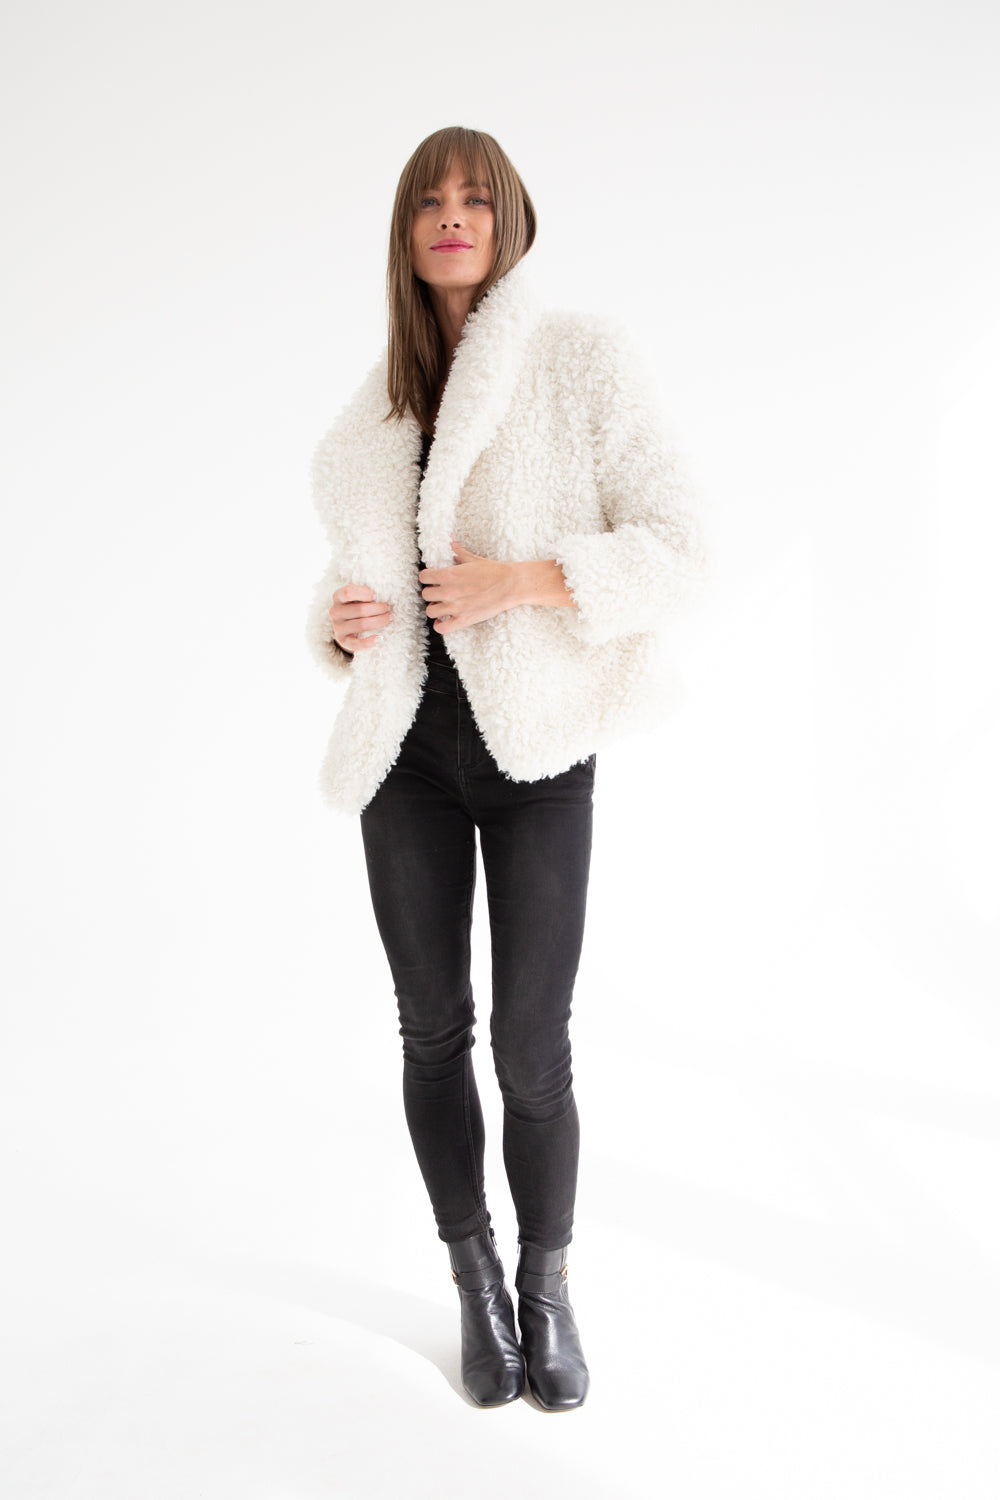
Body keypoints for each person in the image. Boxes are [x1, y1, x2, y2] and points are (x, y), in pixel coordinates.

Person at [306, 126, 707, 1410]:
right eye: (429, 199)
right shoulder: (380, 406)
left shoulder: (579, 357)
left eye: (475, 197)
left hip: (536, 749)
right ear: (404, 231)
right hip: (407, 757)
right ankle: (473, 1279)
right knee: (432, 1028)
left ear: (509, 220)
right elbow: (359, 577)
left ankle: (547, 1284)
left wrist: (524, 581)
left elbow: (679, 546)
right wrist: (337, 624)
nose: (452, 215)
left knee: (533, 1043)